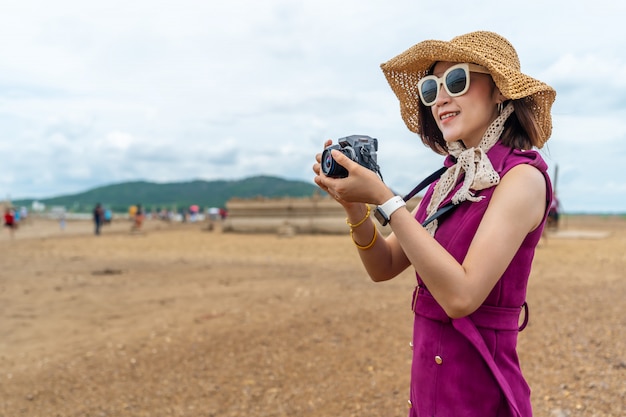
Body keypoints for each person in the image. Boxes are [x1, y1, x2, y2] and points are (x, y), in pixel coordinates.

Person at [313, 31, 556, 417]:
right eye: (431, 87)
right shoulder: (450, 181)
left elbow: (461, 297)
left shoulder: (521, 179)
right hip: (429, 388)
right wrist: (355, 207)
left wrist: (386, 199)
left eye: (456, 80)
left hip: (479, 392)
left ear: (499, 91)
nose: (441, 97)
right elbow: (385, 265)